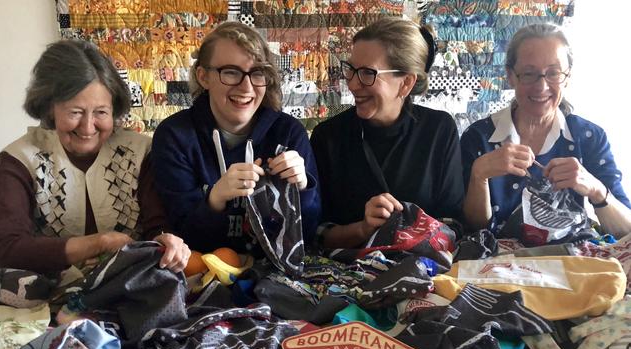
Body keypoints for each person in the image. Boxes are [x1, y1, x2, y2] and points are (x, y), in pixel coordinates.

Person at [0, 40, 190, 273]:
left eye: (101, 112)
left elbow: (158, 227)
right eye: (75, 112)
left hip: (128, 289)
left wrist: (167, 241)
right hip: (44, 296)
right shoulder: (18, 160)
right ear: (49, 109)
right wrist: (99, 243)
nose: (87, 127)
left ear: (114, 110)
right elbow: (7, 249)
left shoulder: (143, 152)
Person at [149, 22, 320, 255]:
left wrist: (302, 189)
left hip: (274, 273)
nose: (246, 87)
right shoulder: (174, 136)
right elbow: (180, 237)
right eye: (231, 72)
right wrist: (215, 199)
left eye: (258, 73)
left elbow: (308, 238)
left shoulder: (289, 133)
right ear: (203, 77)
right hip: (202, 268)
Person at [461, 23, 631, 237]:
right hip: (498, 266)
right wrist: (479, 176)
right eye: (529, 74)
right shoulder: (478, 138)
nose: (541, 87)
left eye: (553, 73)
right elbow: (472, 229)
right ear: (511, 76)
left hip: (571, 265)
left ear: (567, 77)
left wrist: (597, 191)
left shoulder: (589, 137)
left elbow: (626, 232)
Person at [310, 17, 464, 249]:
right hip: (342, 275)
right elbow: (316, 234)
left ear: (406, 83)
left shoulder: (439, 131)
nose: (352, 84)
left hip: (423, 272)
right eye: (350, 70)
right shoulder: (328, 137)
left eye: (367, 73)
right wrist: (363, 228)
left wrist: (405, 230)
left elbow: (454, 226)